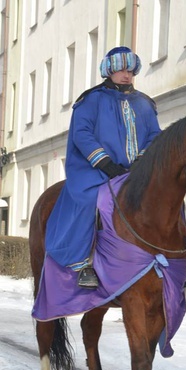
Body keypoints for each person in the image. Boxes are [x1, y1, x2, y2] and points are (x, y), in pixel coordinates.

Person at [45, 46, 161, 288]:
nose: (126, 75)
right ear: (109, 71)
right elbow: (82, 134)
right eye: (120, 70)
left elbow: (154, 135)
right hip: (95, 170)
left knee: (167, 197)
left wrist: (141, 160)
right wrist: (106, 163)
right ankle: (85, 261)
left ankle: (168, 257)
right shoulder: (91, 100)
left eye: (130, 70)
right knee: (91, 201)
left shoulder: (145, 103)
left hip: (137, 171)